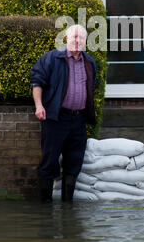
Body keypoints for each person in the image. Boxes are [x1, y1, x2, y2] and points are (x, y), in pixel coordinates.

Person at [30, 24, 97, 203]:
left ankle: (68, 208)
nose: (77, 41)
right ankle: (45, 208)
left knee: (74, 162)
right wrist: (39, 106)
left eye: (81, 38)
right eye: (74, 37)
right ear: (66, 38)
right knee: (50, 161)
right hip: (55, 118)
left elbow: (91, 88)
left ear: (85, 41)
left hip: (79, 120)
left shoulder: (90, 62)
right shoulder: (51, 58)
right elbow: (37, 82)